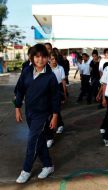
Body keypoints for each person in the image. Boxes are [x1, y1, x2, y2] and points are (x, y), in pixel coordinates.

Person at [15, 44, 60, 183]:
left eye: (43, 56)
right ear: (32, 57)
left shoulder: (50, 77)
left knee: (32, 141)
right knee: (39, 140)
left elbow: (55, 98)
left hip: (42, 114)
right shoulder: (27, 71)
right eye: (37, 56)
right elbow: (19, 90)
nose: (40, 60)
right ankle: (48, 165)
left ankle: (26, 170)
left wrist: (55, 115)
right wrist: (17, 108)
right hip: (29, 112)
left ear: (47, 58)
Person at [46, 52, 67, 148]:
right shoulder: (46, 68)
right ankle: (59, 125)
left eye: (55, 59)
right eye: (51, 59)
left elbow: (63, 81)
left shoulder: (60, 68)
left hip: (58, 89)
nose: (53, 61)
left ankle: (57, 127)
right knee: (51, 111)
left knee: (55, 109)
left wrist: (65, 93)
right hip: (47, 90)